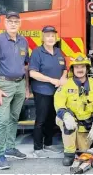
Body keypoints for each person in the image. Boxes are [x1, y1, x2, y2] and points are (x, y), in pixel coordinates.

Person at [0, 11, 30, 170]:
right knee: (3, 120)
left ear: (20, 24)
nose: (13, 24)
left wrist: (26, 88)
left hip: (20, 84)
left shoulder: (23, 41)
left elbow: (25, 66)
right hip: (4, 84)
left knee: (13, 117)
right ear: (5, 23)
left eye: (16, 22)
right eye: (10, 21)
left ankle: (10, 147)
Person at [53, 52, 93, 166]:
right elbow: (58, 102)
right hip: (71, 120)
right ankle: (69, 154)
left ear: (87, 68)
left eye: (82, 67)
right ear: (72, 69)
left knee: (83, 151)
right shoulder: (66, 84)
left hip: (86, 123)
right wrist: (65, 116)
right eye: (76, 67)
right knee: (65, 121)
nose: (79, 69)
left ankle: (84, 148)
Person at [28, 25, 67, 157]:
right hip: (42, 91)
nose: (50, 38)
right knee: (41, 120)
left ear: (56, 38)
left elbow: (65, 68)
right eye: (47, 36)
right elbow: (33, 73)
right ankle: (38, 148)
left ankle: (48, 145)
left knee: (51, 119)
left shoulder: (58, 52)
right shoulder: (37, 52)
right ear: (43, 38)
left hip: (56, 92)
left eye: (52, 36)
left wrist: (63, 77)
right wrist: (51, 80)